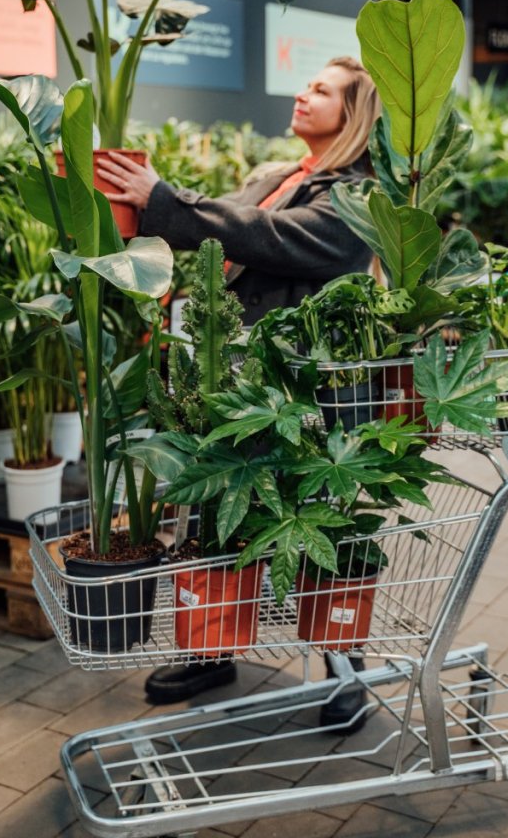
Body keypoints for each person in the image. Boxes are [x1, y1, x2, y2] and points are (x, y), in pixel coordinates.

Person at [98, 56, 380, 732]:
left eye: (321, 89)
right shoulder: (278, 176)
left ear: (355, 114)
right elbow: (223, 226)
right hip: (234, 386)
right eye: (308, 83)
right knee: (211, 521)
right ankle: (210, 650)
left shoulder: (358, 195)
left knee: (321, 532)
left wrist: (165, 197)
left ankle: (347, 671)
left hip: (308, 396)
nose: (303, 94)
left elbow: (272, 238)